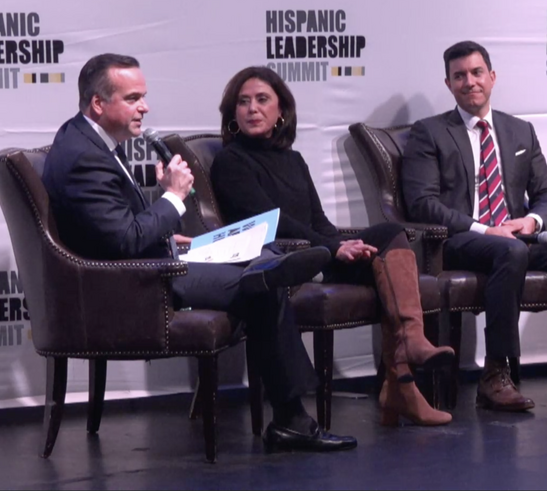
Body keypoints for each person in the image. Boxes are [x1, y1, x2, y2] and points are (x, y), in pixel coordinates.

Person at [42, 53, 358, 452]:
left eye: (144, 96)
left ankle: (269, 265)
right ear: (98, 104)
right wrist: (172, 197)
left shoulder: (89, 142)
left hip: (149, 263)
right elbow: (123, 243)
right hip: (128, 285)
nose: (145, 106)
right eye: (133, 97)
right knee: (263, 285)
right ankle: (293, 418)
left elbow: (112, 230)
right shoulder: (84, 157)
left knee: (259, 268)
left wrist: (168, 232)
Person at [210, 66, 456, 427]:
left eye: (262, 100)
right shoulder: (230, 162)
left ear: (282, 111)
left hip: (318, 251)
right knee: (379, 268)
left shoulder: (293, 160)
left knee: (387, 236)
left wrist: (342, 242)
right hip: (281, 262)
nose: (252, 109)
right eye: (243, 102)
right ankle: (403, 380)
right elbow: (269, 222)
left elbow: (318, 220)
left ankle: (408, 356)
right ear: (232, 114)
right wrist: (333, 248)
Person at [401, 41, 547, 412]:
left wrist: (531, 220)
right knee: (510, 249)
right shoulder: (430, 133)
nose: (469, 82)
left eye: (476, 72)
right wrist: (486, 230)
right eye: (459, 76)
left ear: (492, 77)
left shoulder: (519, 131)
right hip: (463, 240)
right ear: (449, 84)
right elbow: (423, 203)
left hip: (516, 237)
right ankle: (495, 374)